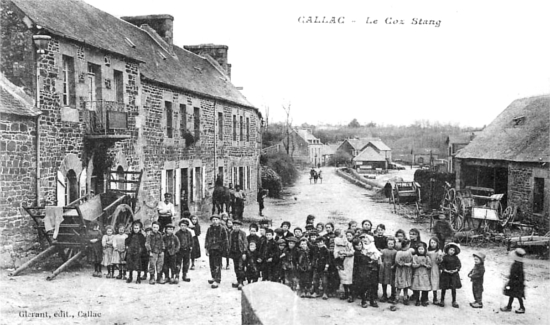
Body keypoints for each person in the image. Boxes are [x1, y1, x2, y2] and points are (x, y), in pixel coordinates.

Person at [205, 214, 229, 289]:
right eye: (213, 220)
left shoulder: (222, 229)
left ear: (219, 220)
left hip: (218, 249)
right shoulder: (209, 229)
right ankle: (213, 277)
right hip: (211, 248)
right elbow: (207, 239)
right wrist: (206, 248)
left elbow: (225, 239)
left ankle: (217, 279)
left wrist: (224, 249)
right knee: (211, 264)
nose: (215, 221)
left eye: (216, 219)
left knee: (217, 265)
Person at [501, 248, 526, 314]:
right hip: (514, 281)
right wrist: (510, 276)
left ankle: (522, 308)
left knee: (518, 295)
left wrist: (512, 278)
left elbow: (518, 275)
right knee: (511, 294)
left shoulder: (518, 265)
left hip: (517, 282)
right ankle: (509, 306)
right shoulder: (517, 263)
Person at [439, 242, 462, 308]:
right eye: (451, 250)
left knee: (453, 288)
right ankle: (442, 300)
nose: (452, 251)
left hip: (453, 275)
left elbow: (459, 265)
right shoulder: (444, 257)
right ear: (448, 250)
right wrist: (445, 270)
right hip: (446, 274)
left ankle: (454, 301)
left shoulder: (456, 258)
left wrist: (456, 270)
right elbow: (441, 265)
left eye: (453, 250)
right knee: (444, 288)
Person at [229, 219, 248, 290]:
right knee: (236, 267)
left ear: (240, 226)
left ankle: (241, 282)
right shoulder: (231, 233)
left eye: (237, 226)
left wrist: (244, 253)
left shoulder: (242, 233)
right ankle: (238, 280)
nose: (236, 227)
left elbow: (245, 243)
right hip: (234, 253)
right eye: (234, 225)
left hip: (240, 253)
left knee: (241, 267)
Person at [336, 230, 355, 301]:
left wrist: (345, 253)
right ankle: (346, 293)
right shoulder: (344, 243)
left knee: (350, 279)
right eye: (347, 236)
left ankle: (352, 295)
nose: (348, 237)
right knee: (344, 278)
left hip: (351, 262)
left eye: (350, 236)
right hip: (344, 262)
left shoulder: (354, 243)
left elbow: (353, 252)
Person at [411, 242, 432, 306]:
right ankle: (417, 300)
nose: (420, 251)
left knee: (425, 288)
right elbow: (413, 265)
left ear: (425, 250)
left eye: (422, 249)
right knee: (417, 288)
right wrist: (419, 265)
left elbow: (430, 266)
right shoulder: (415, 257)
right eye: (419, 249)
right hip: (417, 274)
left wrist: (425, 265)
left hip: (424, 275)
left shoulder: (427, 257)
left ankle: (424, 300)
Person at [394, 239, 413, 305]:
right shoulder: (400, 253)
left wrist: (410, 263)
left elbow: (411, 260)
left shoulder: (409, 252)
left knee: (405, 284)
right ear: (407, 245)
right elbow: (397, 261)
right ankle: (397, 297)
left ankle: (405, 298)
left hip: (406, 270)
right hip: (401, 270)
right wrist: (405, 264)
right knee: (400, 284)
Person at [379, 236, 397, 303]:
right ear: (387, 244)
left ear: (394, 244)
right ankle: (384, 294)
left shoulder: (395, 252)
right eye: (389, 243)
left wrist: (394, 265)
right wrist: (381, 263)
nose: (390, 245)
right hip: (384, 268)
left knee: (392, 282)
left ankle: (393, 295)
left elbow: (396, 260)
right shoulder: (383, 251)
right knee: (384, 281)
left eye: (392, 244)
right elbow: (380, 258)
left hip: (391, 269)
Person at [427, 237, 444, 305]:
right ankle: (425, 298)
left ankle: (435, 298)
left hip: (435, 268)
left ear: (437, 243)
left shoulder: (438, 251)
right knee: (427, 282)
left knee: (435, 282)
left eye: (434, 243)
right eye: (431, 242)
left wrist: (440, 256)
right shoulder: (427, 251)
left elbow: (440, 261)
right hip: (428, 268)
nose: (433, 244)